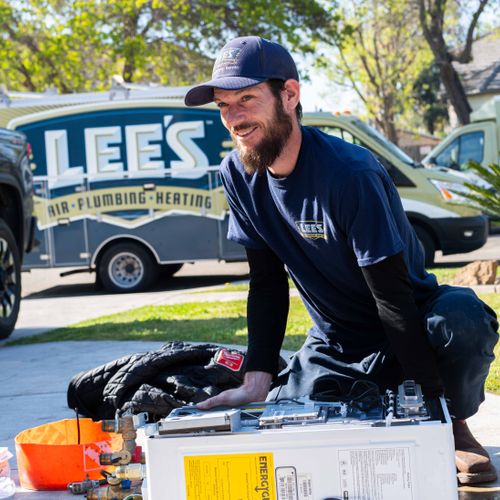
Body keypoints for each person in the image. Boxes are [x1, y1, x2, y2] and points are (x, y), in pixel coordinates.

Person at [184, 35, 499, 485]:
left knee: (463, 319)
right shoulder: (237, 175)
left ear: (289, 95)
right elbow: (267, 284)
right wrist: (257, 377)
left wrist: (432, 410)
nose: (234, 117)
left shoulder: (350, 173)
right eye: (223, 105)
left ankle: (455, 426)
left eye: (247, 99)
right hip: (336, 344)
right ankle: (382, 399)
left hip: (412, 322)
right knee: (290, 436)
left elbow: (391, 297)